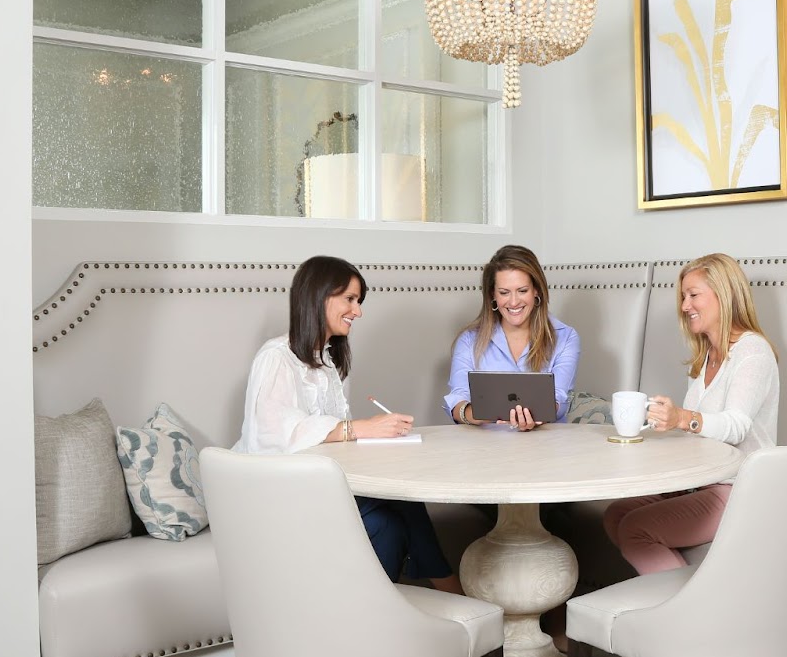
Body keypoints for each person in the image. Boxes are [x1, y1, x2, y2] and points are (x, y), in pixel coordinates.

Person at [234, 255, 462, 594]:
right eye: (351, 300)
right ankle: (453, 591)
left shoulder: (329, 363)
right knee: (402, 501)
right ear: (320, 296)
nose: (358, 311)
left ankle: (372, 616)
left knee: (389, 525)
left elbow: (334, 439)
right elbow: (272, 437)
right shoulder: (276, 358)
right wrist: (361, 428)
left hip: (319, 484)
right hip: (279, 492)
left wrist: (375, 434)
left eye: (359, 301)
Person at [601, 252, 780, 574]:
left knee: (636, 529)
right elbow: (699, 431)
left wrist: (682, 418)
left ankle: (682, 615)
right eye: (684, 297)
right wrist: (667, 424)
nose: (684, 306)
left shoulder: (753, 352)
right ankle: (671, 593)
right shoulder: (706, 356)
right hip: (701, 481)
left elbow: (736, 426)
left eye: (693, 295)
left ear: (724, 297)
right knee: (616, 513)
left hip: (739, 488)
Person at [445, 244, 580, 431]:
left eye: (522, 290)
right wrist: (479, 412)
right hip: (485, 449)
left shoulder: (565, 337)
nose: (514, 302)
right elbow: (457, 401)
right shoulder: (469, 340)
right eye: (504, 292)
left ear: (536, 290)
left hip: (546, 448)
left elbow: (560, 400)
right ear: (493, 294)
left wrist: (539, 416)